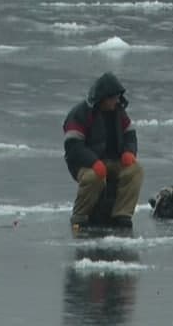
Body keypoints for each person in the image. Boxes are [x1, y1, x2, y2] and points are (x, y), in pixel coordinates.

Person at [62, 72, 144, 229]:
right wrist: (93, 162)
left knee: (135, 170)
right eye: (113, 98)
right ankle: (80, 215)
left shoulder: (119, 112)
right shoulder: (80, 114)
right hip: (84, 164)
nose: (116, 101)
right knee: (94, 177)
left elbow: (130, 135)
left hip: (113, 160)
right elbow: (73, 146)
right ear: (103, 98)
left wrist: (129, 152)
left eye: (117, 97)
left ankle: (122, 214)